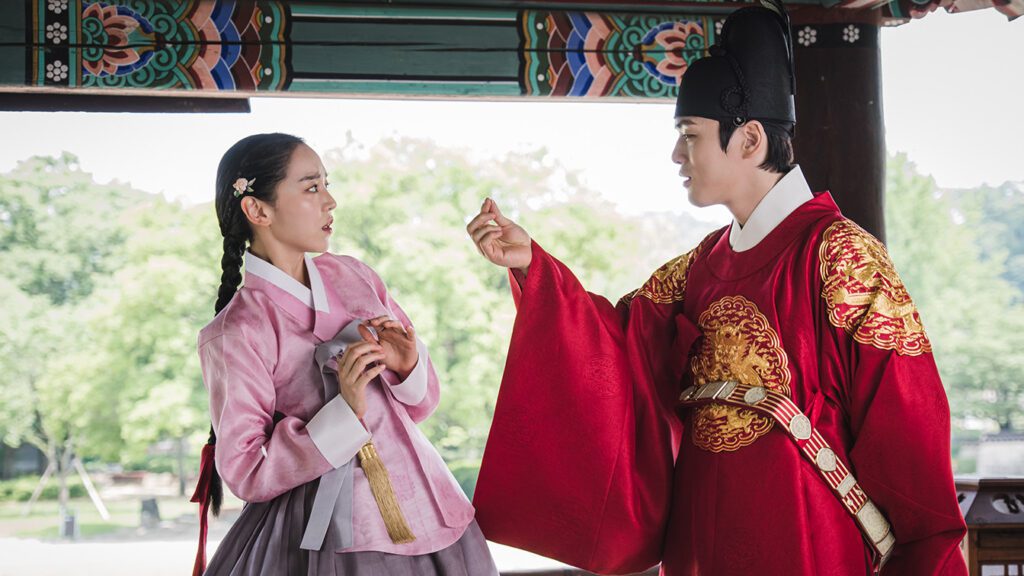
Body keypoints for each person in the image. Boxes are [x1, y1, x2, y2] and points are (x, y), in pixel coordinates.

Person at [466, 2, 967, 574]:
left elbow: (909, 431)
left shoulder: (841, 256)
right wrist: (535, 267)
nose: (678, 155)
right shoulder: (698, 268)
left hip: (807, 541)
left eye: (690, 135)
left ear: (750, 139)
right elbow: (614, 350)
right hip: (701, 539)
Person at [189, 133, 498, 576]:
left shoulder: (356, 277)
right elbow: (245, 471)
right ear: (257, 210)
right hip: (325, 533)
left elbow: (422, 404)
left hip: (427, 508)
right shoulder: (236, 331)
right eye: (312, 187)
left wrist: (406, 364)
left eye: (326, 185)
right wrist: (345, 410)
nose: (330, 201)